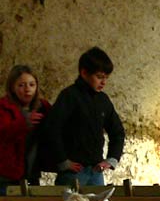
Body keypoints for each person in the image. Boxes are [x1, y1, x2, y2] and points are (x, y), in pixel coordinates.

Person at [41, 46, 125, 187]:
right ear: (84, 73)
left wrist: (111, 160)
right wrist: (63, 161)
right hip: (73, 173)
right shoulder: (69, 96)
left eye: (106, 78)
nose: (103, 82)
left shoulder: (103, 101)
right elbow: (52, 128)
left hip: (96, 171)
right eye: (99, 77)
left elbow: (117, 132)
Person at [0, 65, 51, 195]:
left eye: (31, 85)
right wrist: (23, 123)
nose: (27, 89)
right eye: (21, 85)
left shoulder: (43, 107)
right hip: (6, 174)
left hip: (32, 173)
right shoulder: (3, 107)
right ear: (12, 87)